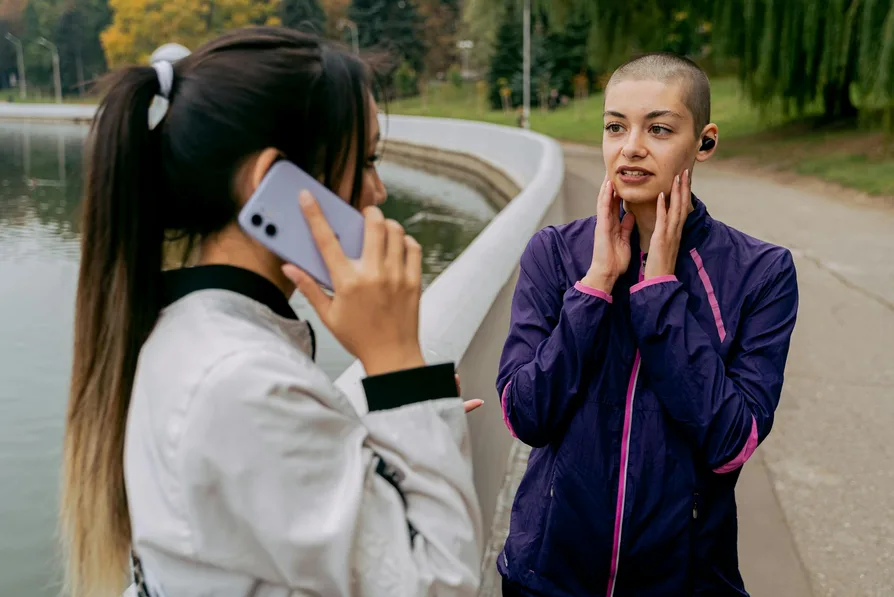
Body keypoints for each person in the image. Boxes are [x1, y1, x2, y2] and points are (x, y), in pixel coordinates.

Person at [59, 27, 483, 597]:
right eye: (366, 160)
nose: (377, 191)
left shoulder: (194, 341)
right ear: (274, 185)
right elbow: (442, 583)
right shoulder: (237, 382)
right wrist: (398, 367)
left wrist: (361, 419)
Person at [496, 52, 799, 596]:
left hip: (684, 581)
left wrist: (659, 292)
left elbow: (731, 443)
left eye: (658, 128)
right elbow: (525, 415)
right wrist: (592, 289)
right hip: (548, 577)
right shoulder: (555, 254)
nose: (630, 146)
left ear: (704, 142)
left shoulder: (762, 272)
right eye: (616, 126)